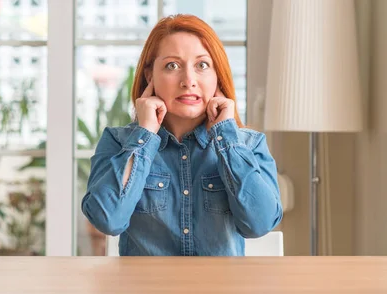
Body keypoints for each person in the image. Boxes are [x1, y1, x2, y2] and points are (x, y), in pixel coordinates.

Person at [81, 14, 283, 256]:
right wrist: (144, 135)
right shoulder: (118, 142)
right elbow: (107, 220)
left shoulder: (249, 144)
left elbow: (259, 224)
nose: (188, 81)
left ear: (217, 76)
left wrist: (227, 140)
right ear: (150, 76)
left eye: (202, 65)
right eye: (172, 65)